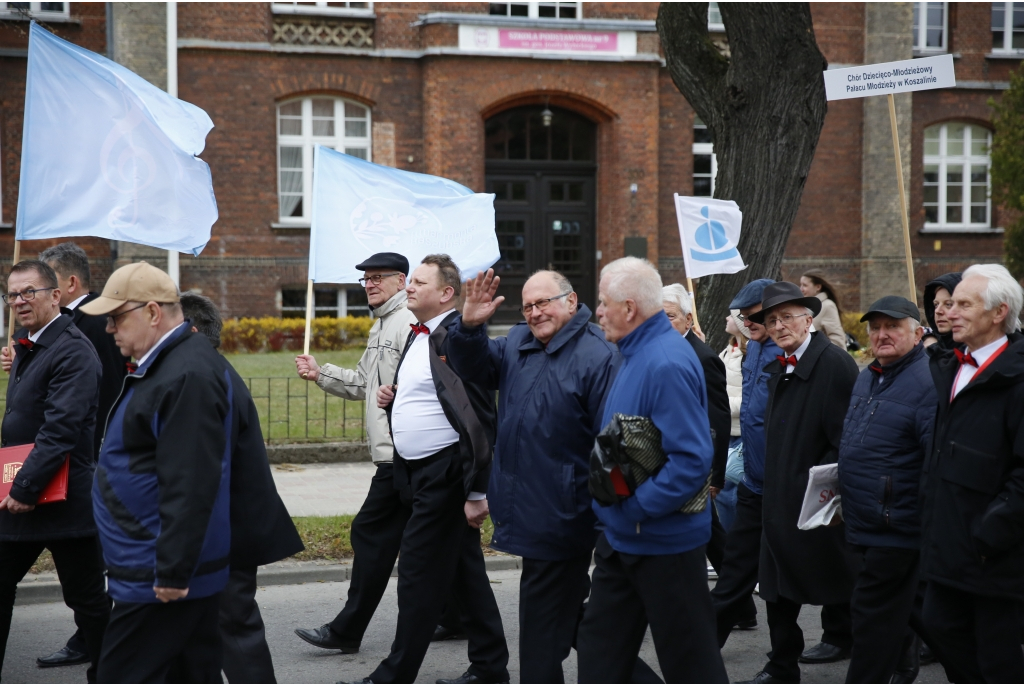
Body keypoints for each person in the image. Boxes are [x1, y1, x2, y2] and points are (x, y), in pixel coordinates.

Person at [447, 268, 617, 683]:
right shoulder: (519, 342)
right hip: (528, 508)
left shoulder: (598, 355)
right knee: (567, 619)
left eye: (543, 302)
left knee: (541, 632)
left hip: (565, 515)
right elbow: (472, 368)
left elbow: (612, 445)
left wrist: (608, 519)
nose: (535, 313)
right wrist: (468, 327)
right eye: (527, 306)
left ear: (571, 301)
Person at [576, 257, 727, 684]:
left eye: (603, 303)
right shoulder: (634, 351)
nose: (597, 312)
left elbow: (692, 460)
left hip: (664, 546)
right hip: (624, 538)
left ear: (629, 308)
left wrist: (636, 509)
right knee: (599, 654)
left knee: (692, 666)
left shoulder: (665, 362)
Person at [81, 262, 233, 683]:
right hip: (156, 564)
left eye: (116, 317)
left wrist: (172, 569)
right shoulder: (170, 364)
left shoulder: (185, 372)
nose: (109, 329)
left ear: (152, 312)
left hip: (156, 573)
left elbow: (191, 478)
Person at [364, 254, 509, 684]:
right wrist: (395, 399)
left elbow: (480, 415)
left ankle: (394, 675)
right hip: (417, 473)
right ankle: (490, 666)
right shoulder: (420, 333)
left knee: (416, 575)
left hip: (446, 474)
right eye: (410, 281)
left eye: (418, 282)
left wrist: (478, 491)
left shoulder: (455, 337)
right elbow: (434, 396)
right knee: (465, 573)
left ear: (446, 293)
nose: (408, 287)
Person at [181, 291, 305, 684]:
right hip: (222, 526)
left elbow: (205, 465)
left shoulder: (205, 377)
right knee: (203, 632)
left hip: (225, 530)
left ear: (190, 330)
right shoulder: (207, 370)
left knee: (234, 628)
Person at [742, 281, 859, 684]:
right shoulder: (781, 364)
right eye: (772, 320)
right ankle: (781, 666)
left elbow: (844, 441)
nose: (779, 326)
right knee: (777, 589)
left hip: (814, 501)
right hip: (777, 499)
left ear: (809, 320)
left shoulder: (833, 364)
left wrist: (818, 489)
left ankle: (893, 652)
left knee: (844, 579)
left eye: (787, 317)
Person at [0, 260, 109, 682]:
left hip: (62, 499)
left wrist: (24, 488)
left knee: (87, 600)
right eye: (12, 294)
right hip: (26, 491)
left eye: (29, 292)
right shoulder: (31, 344)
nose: (19, 301)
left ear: (56, 295)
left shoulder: (73, 349)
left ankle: (112, 674)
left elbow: (60, 430)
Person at [919, 263, 1024, 683]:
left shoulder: (1017, 377)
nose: (949, 312)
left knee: (997, 656)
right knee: (940, 626)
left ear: (998, 312)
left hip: (993, 551)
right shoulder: (950, 366)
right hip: (946, 540)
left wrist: (990, 531)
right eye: (950, 304)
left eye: (963, 304)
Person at [35, 241, 129, 670]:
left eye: (48, 283)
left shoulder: (91, 322)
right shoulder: (64, 324)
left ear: (70, 283)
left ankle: (97, 637)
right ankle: (96, 634)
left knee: (90, 558)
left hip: (90, 455)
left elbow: (107, 390)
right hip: (70, 456)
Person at [837, 296, 935, 684]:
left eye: (892, 326)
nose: (881, 334)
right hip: (867, 520)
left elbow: (932, 459)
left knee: (871, 617)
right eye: (875, 328)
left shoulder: (926, 381)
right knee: (920, 616)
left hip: (896, 525)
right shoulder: (869, 374)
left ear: (917, 333)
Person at [662, 283, 732, 578]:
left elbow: (717, 418)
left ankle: (735, 591)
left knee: (708, 530)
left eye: (670, 316)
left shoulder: (702, 358)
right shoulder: (660, 350)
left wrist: (715, 474)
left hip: (695, 464)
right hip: (668, 461)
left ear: (688, 320)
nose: (662, 323)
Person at [716, 309, 749, 531]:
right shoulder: (726, 351)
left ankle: (735, 537)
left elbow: (750, 398)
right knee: (721, 492)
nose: (726, 318)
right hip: (725, 433)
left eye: (731, 315)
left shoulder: (748, 356)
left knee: (732, 493)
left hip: (740, 436)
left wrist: (721, 405)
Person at [799, 270, 846, 349]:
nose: (801, 289)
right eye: (800, 285)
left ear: (818, 287)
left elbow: (837, 340)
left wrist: (819, 352)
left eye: (805, 285)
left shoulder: (827, 306)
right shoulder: (805, 308)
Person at [921, 272, 962, 350]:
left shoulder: (976, 352)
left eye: (948, 304)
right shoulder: (930, 352)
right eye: (936, 304)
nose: (937, 311)